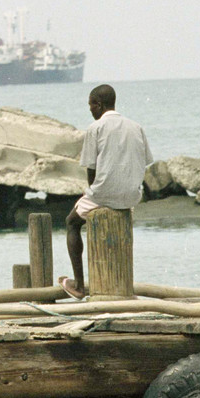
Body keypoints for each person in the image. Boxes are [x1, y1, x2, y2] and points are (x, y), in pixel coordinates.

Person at [59, 84, 153, 300]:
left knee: (72, 223)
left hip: (104, 194)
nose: (90, 110)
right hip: (131, 196)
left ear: (98, 104)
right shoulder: (136, 126)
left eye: (91, 105)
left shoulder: (96, 127)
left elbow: (91, 168)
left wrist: (92, 192)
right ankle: (119, 283)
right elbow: (144, 162)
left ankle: (79, 286)